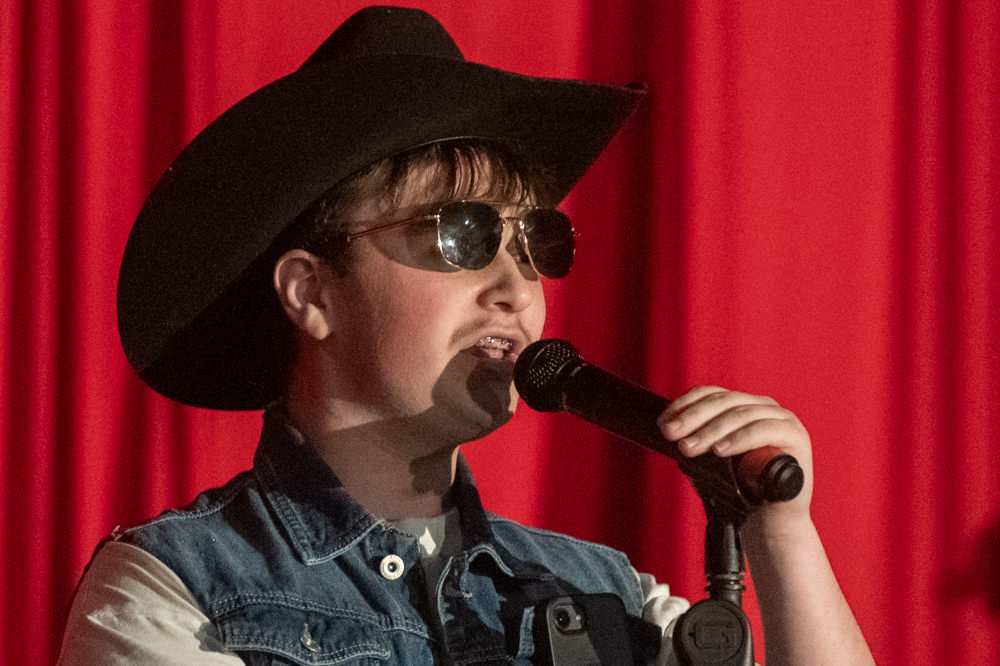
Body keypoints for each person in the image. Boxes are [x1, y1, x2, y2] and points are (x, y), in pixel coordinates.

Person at [59, 6, 873, 665]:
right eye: (463, 237)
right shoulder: (171, 591)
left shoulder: (610, 596)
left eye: (535, 245)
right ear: (311, 292)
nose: (518, 289)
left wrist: (781, 536)